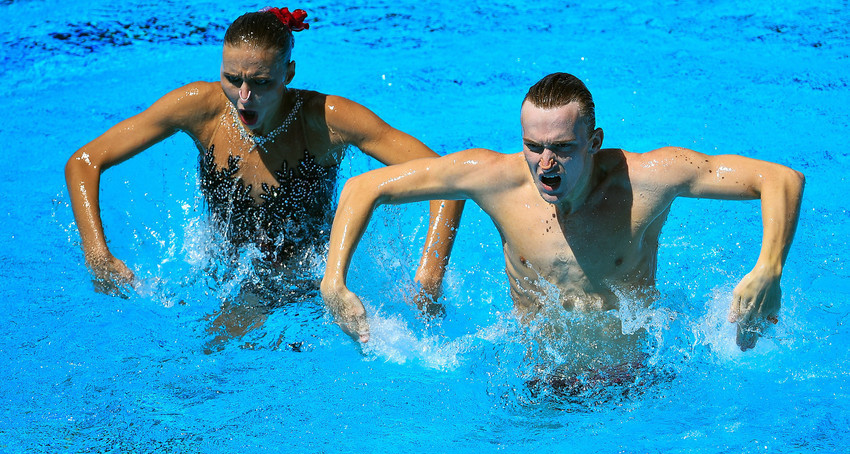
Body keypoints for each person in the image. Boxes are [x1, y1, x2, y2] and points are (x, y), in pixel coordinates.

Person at [321, 73, 804, 366]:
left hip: (632, 378)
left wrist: (768, 268)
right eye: (534, 146)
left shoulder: (647, 177)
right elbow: (364, 187)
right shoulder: (493, 177)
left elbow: (780, 179)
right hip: (536, 378)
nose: (545, 163)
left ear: (594, 142)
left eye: (563, 148)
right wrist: (334, 283)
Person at [65, 8, 463, 344]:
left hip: (308, 279)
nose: (243, 97)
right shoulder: (200, 109)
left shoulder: (324, 120)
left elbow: (448, 180)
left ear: (288, 73)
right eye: (232, 79)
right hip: (222, 274)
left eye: (260, 83)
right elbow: (84, 161)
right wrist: (98, 255)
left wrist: (428, 278)